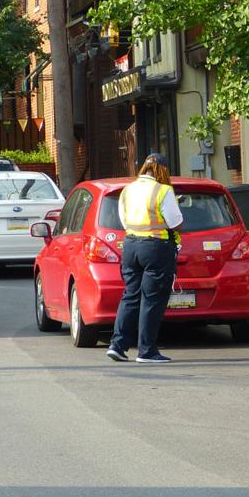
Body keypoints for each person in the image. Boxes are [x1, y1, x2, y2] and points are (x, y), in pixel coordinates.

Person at [106, 153, 184, 364]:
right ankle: (146, 351)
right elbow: (175, 221)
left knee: (130, 295)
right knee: (152, 299)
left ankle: (117, 345)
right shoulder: (164, 190)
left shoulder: (128, 189)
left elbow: (123, 219)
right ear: (163, 170)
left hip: (130, 246)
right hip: (156, 247)